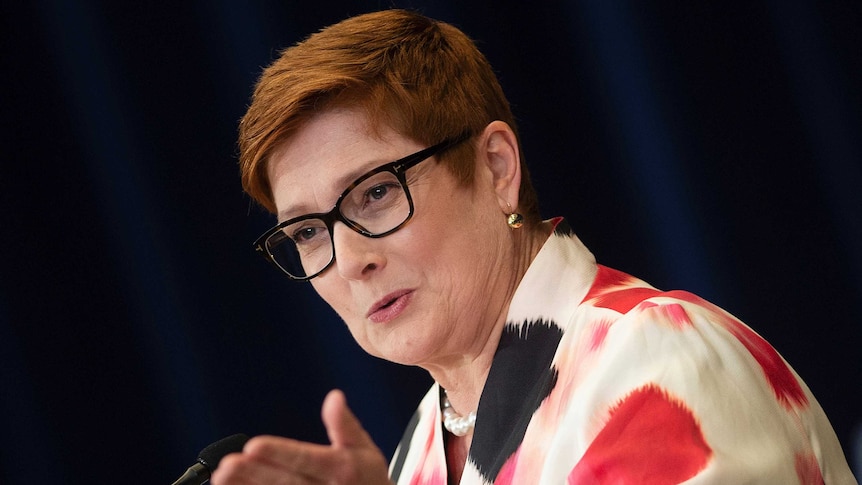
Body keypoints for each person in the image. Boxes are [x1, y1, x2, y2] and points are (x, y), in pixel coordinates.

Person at [212, 9, 857, 485]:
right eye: (306, 231)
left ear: (496, 167)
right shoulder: (421, 455)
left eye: (376, 194)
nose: (350, 259)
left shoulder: (651, 364)